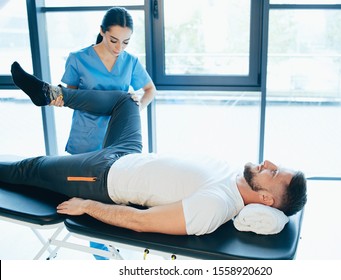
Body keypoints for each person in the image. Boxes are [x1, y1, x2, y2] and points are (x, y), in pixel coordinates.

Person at [2, 62, 307, 236]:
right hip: (127, 153)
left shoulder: (216, 206)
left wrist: (88, 206)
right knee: (126, 100)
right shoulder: (230, 176)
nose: (268, 161)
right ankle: (50, 94)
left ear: (265, 198)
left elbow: (141, 221)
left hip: (99, 177)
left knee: (28, 168)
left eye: (274, 171)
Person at [55, 7, 156, 257]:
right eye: (113, 40)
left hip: (115, 142)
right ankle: (103, 257)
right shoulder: (78, 58)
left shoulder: (130, 62)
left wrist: (134, 109)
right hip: (85, 139)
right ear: (101, 32)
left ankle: (114, 251)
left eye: (125, 42)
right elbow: (72, 96)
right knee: (87, 204)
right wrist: (59, 98)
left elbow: (149, 90)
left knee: (111, 200)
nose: (119, 47)